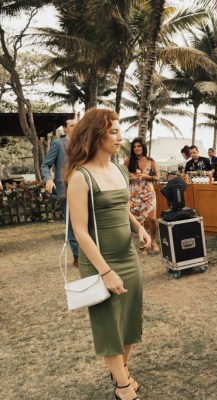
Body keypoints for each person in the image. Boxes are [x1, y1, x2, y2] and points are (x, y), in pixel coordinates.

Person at [65, 109, 151, 400]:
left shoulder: (117, 169)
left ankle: (120, 371)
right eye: (113, 131)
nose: (119, 137)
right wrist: (105, 271)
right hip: (99, 262)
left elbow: (121, 207)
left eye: (119, 130)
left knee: (128, 319)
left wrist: (139, 228)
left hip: (128, 256)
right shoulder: (81, 176)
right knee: (107, 324)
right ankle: (123, 385)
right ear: (95, 134)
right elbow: (80, 231)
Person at [42, 118, 79, 267]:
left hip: (83, 188)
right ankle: (77, 256)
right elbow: (45, 165)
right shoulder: (58, 144)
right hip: (65, 189)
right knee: (71, 223)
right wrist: (48, 180)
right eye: (72, 125)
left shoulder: (84, 143)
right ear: (65, 129)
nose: (76, 127)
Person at [124, 138, 160, 256]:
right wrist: (131, 178)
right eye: (134, 147)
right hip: (134, 194)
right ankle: (145, 244)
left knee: (152, 219)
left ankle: (153, 240)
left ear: (143, 147)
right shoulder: (128, 161)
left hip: (148, 193)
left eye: (139, 146)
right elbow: (122, 177)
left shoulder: (150, 161)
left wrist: (145, 175)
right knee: (140, 220)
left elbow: (157, 177)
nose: (136, 148)